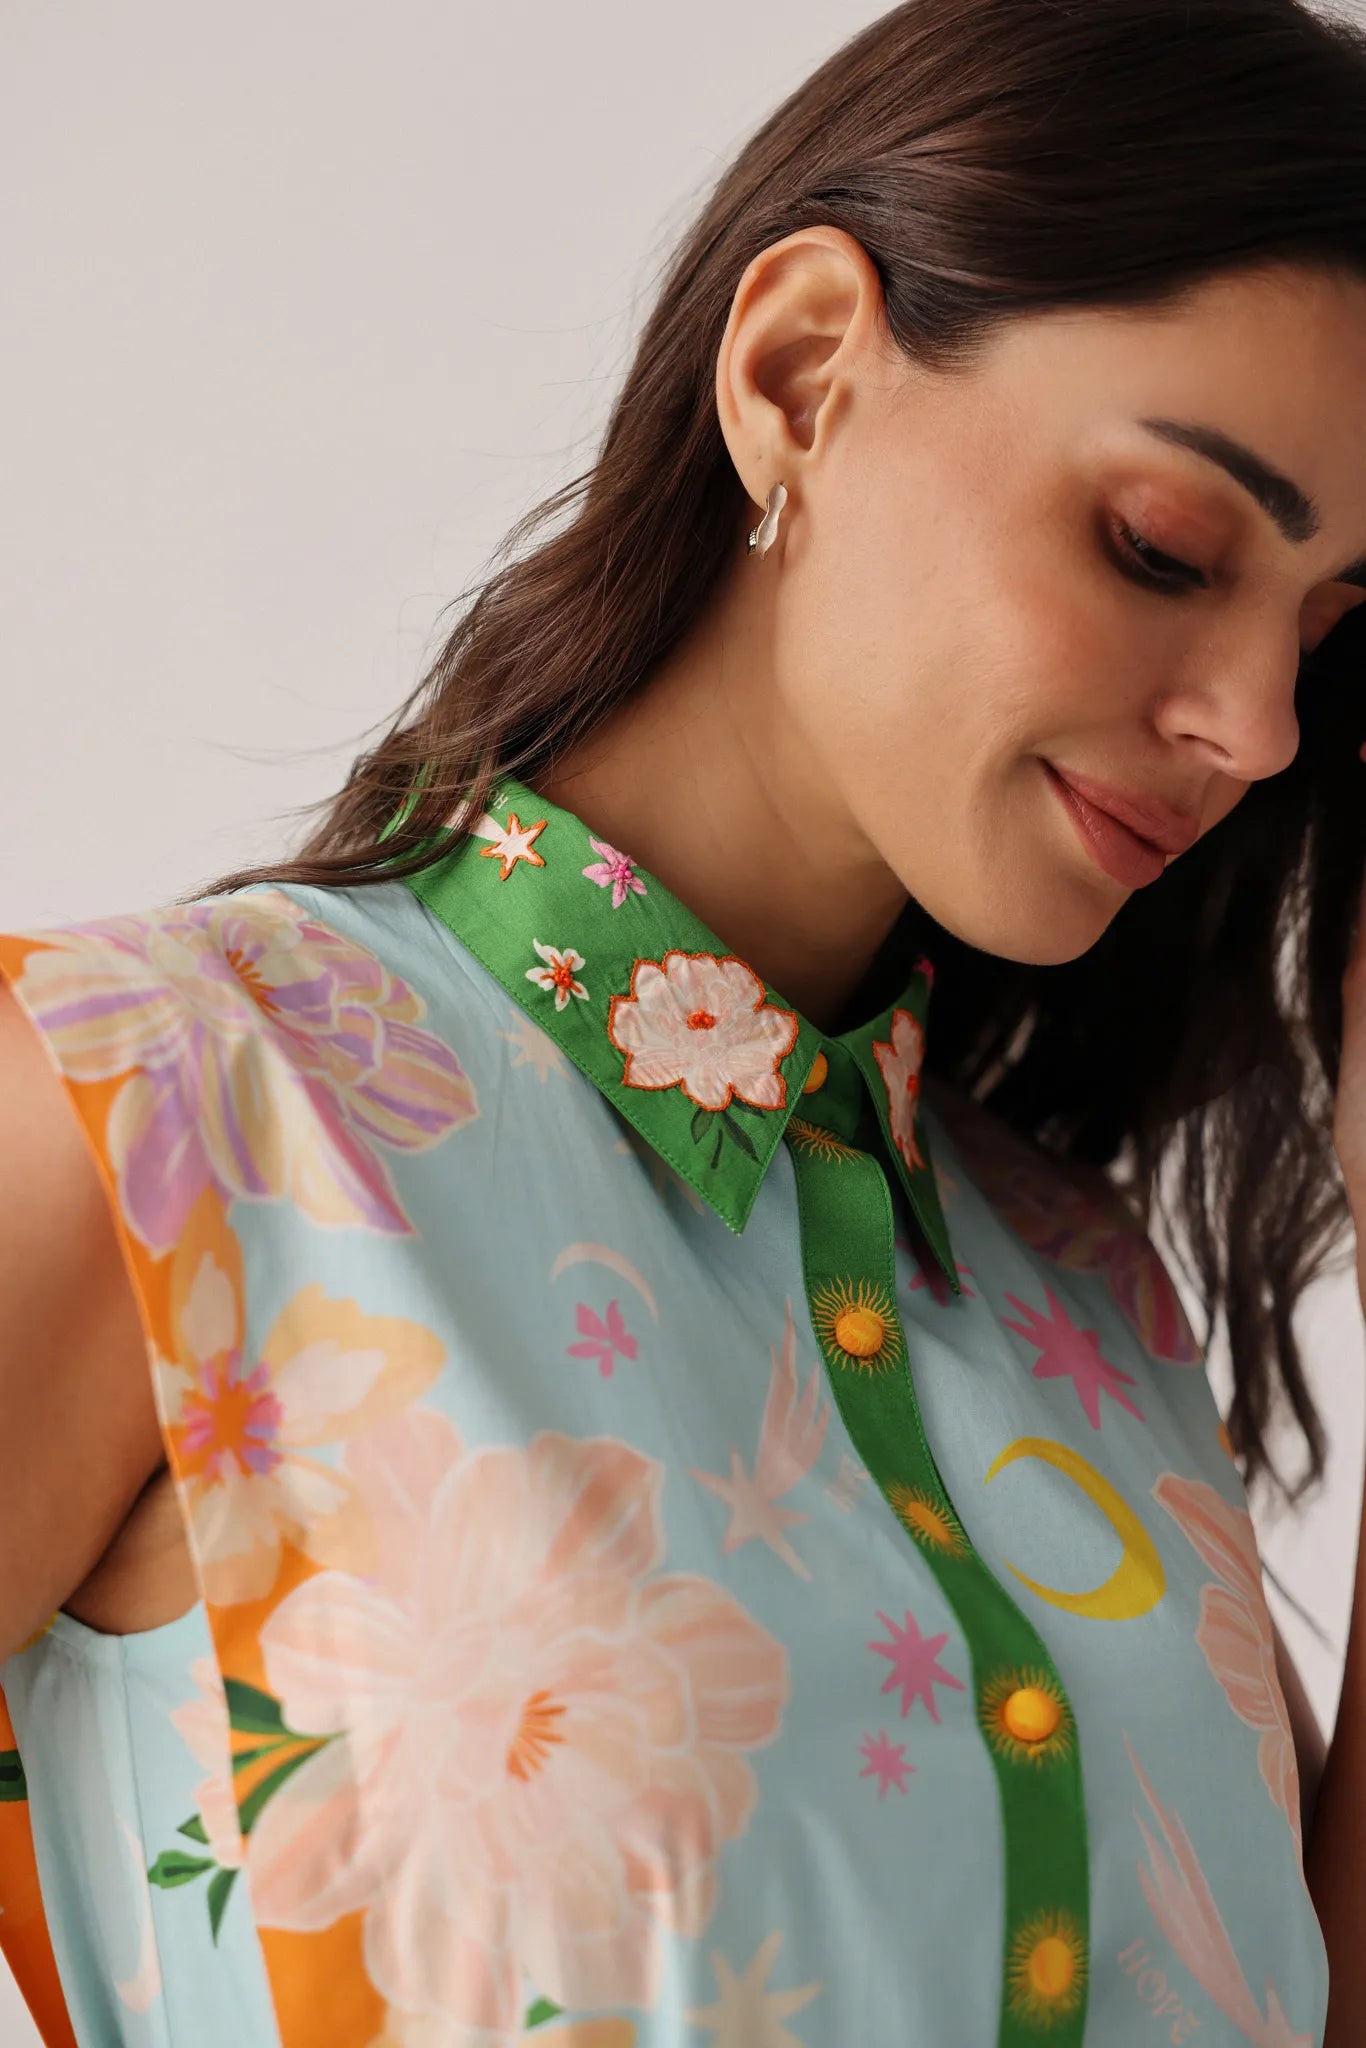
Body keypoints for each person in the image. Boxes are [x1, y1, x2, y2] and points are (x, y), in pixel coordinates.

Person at [5, 0, 1366, 2041]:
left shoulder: (1082, 1293)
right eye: (1162, 548)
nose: (1254, 728)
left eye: (1327, 639)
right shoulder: (160, 1112)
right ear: (800, 371)